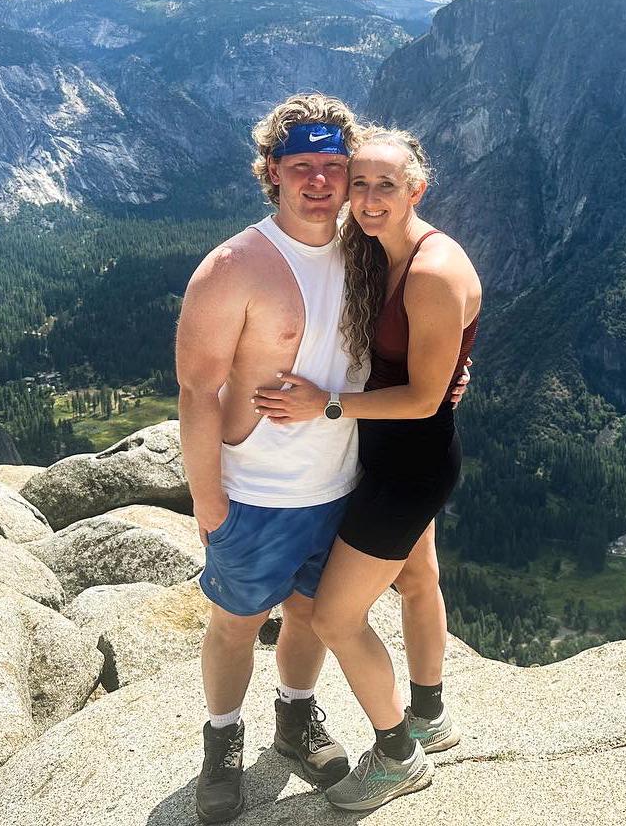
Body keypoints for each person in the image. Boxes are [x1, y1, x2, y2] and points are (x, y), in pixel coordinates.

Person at [252, 127, 482, 813]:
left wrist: (323, 405)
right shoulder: (384, 249)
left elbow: (421, 396)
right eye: (361, 183)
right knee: (416, 579)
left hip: (407, 466)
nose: (369, 197)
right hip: (393, 451)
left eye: (386, 185)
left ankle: (396, 754)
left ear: (418, 187)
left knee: (334, 616)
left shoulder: (434, 269)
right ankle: (431, 715)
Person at [176, 93, 366, 824]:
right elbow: (196, 391)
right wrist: (208, 499)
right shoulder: (235, 265)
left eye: (333, 165)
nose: (318, 181)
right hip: (254, 491)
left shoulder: (367, 250)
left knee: (313, 617)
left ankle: (295, 719)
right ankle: (222, 743)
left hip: (339, 484)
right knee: (233, 621)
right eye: (300, 167)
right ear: (272, 172)